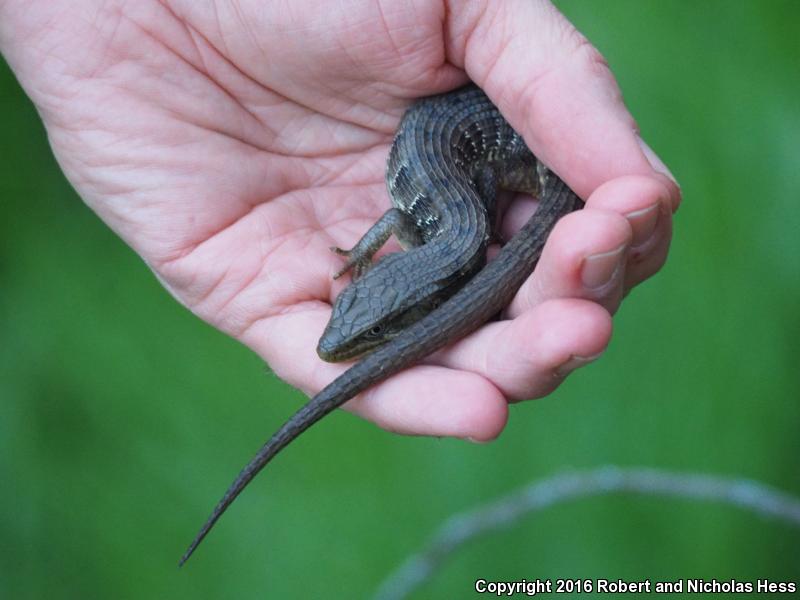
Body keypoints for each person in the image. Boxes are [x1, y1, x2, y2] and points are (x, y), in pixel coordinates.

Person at [0, 0, 679, 442]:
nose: (342, 342)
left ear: (421, 302)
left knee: (572, 205)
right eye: (365, 319)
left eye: (376, 329)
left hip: (499, 146)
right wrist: (359, 257)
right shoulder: (451, 236)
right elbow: (402, 219)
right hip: (469, 159)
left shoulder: (456, 236)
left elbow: (414, 214)